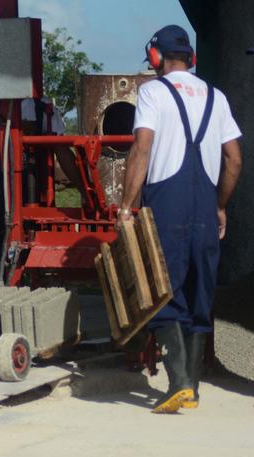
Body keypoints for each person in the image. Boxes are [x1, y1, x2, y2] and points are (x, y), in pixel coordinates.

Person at [118, 25, 242, 413]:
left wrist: (127, 205)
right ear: (192, 59)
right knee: (198, 294)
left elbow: (142, 148)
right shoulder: (216, 97)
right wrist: (220, 206)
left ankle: (178, 383)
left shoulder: (153, 92)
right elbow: (234, 159)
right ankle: (193, 388)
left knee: (162, 291)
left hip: (167, 207)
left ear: (155, 58)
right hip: (205, 206)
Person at [0, 98, 82, 289]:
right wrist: (9, 135)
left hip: (34, 192)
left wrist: (86, 190)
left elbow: (62, 151)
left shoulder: (45, 109)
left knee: (35, 255)